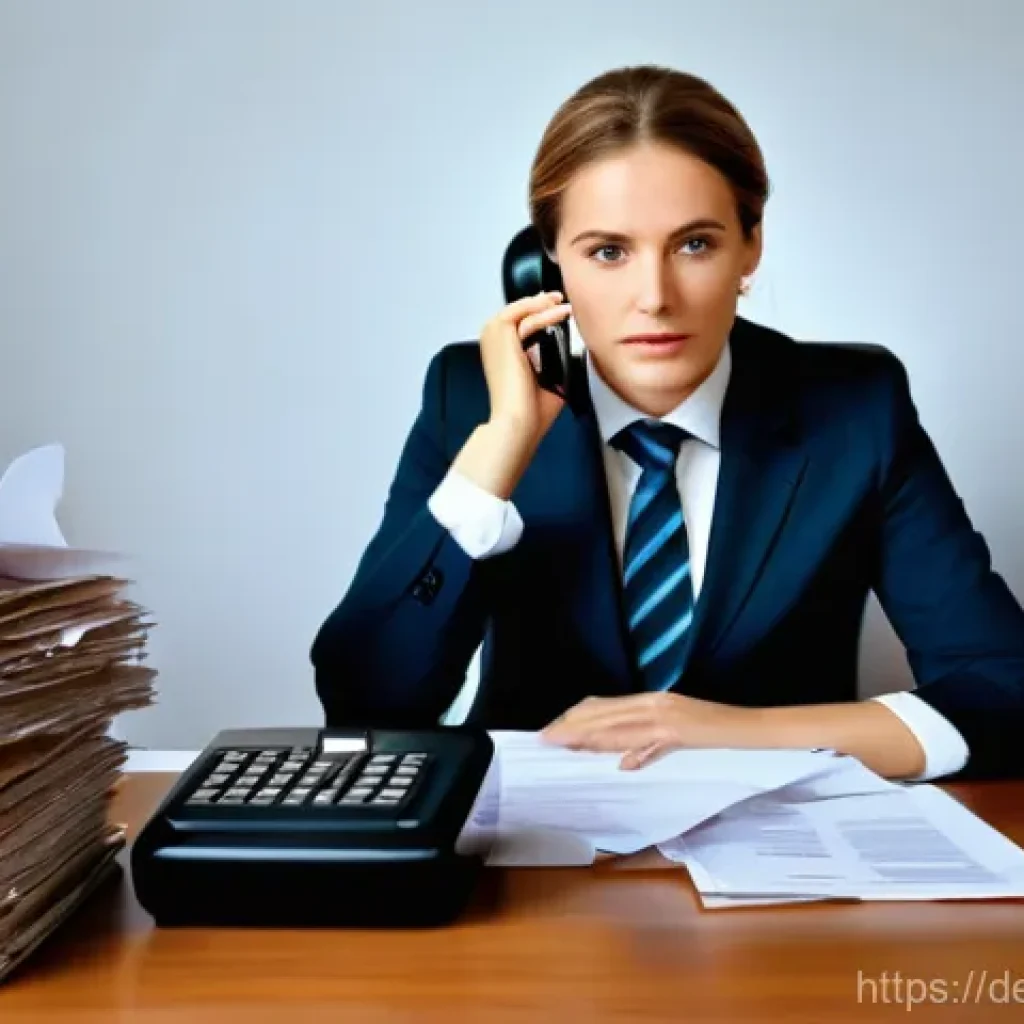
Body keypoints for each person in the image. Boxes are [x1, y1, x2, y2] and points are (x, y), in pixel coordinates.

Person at [311, 64, 1024, 781]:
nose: (654, 296)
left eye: (694, 244)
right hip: (532, 832)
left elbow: (1005, 690)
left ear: (750, 245)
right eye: (608, 252)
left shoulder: (855, 409)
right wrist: (501, 449)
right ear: (547, 265)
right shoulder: (471, 400)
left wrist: (722, 731)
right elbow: (365, 702)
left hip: (775, 829)